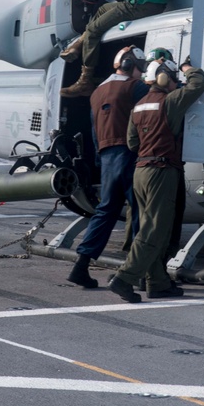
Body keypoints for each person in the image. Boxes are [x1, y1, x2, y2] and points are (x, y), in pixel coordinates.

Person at [109, 58, 204, 302]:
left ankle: (158, 283)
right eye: (174, 78)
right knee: (154, 231)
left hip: (141, 171)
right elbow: (198, 84)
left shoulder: (139, 106)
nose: (177, 83)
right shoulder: (170, 101)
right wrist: (188, 69)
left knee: (153, 229)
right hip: (161, 171)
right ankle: (124, 278)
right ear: (164, 78)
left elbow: (132, 143)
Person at [68, 46, 149, 289]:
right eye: (139, 66)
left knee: (105, 211)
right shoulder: (137, 88)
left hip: (107, 157)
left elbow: (94, 131)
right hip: (131, 155)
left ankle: (81, 266)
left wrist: (100, 160)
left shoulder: (96, 92)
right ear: (128, 65)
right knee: (140, 212)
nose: (141, 72)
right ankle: (137, 273)